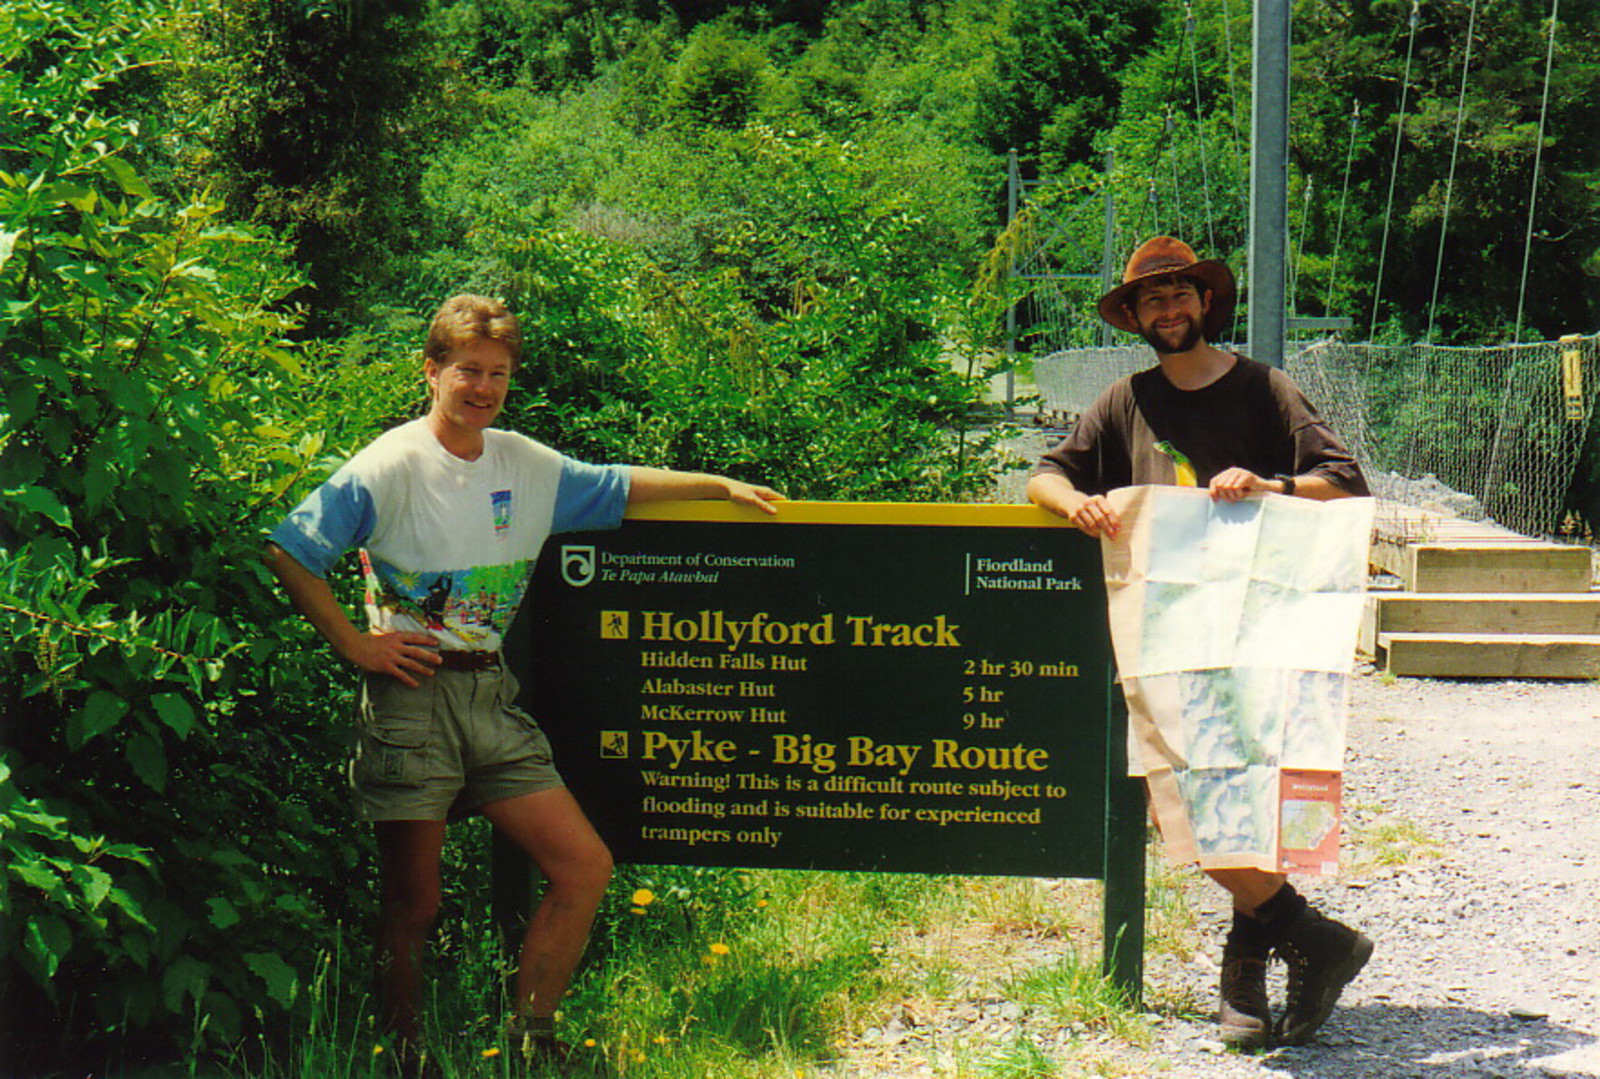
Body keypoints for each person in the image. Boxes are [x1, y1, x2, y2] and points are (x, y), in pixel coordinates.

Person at [264, 294, 782, 1074]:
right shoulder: (390, 462)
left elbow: (619, 484)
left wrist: (717, 485)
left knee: (583, 865)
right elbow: (291, 549)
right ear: (431, 370)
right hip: (412, 697)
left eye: (498, 373)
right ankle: (405, 1057)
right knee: (418, 903)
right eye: (467, 370)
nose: (483, 387)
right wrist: (356, 645)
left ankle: (530, 1041)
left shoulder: (524, 463)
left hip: (491, 698)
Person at [1026, 237, 1373, 1050]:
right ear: (1136, 315)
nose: (1169, 310)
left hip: (1261, 624)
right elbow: (1046, 472)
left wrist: (1271, 484)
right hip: (1168, 632)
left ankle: (1245, 977)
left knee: (1247, 788)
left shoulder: (1263, 388)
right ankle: (1317, 939)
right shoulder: (1126, 401)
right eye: (1153, 301)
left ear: (1205, 303)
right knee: (1180, 788)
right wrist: (1071, 503)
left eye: (1180, 295)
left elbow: (1345, 482)